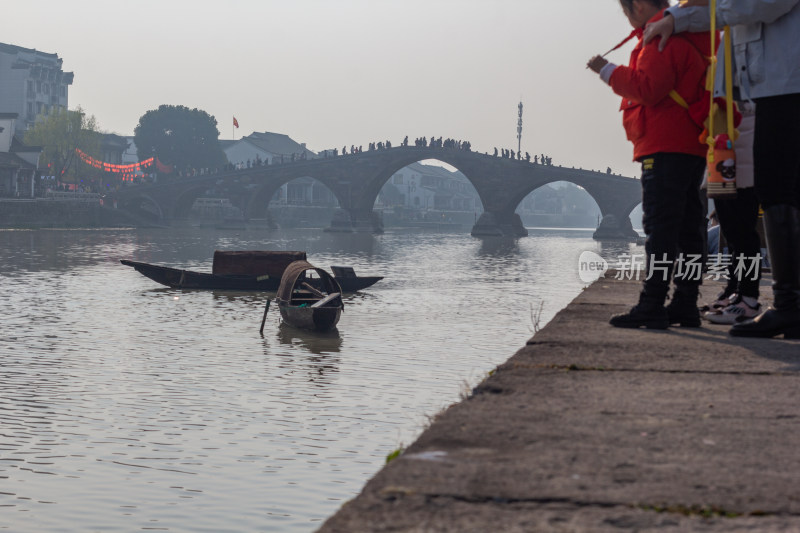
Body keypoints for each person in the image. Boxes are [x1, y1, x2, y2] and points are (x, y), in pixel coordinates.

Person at [644, 0, 800, 338]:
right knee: (768, 196)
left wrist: (682, 17)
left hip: (784, 83)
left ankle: (785, 305)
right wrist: (676, 19)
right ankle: (785, 303)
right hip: (759, 90)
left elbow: (764, 5)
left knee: (774, 192)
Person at [587, 0, 713, 329]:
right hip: (688, 144)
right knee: (688, 228)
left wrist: (607, 70)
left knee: (661, 227)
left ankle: (652, 302)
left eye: (628, 13)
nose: (629, 22)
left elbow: (649, 88)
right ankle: (685, 302)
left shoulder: (659, 38)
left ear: (639, 6)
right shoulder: (685, 34)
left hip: (664, 143)